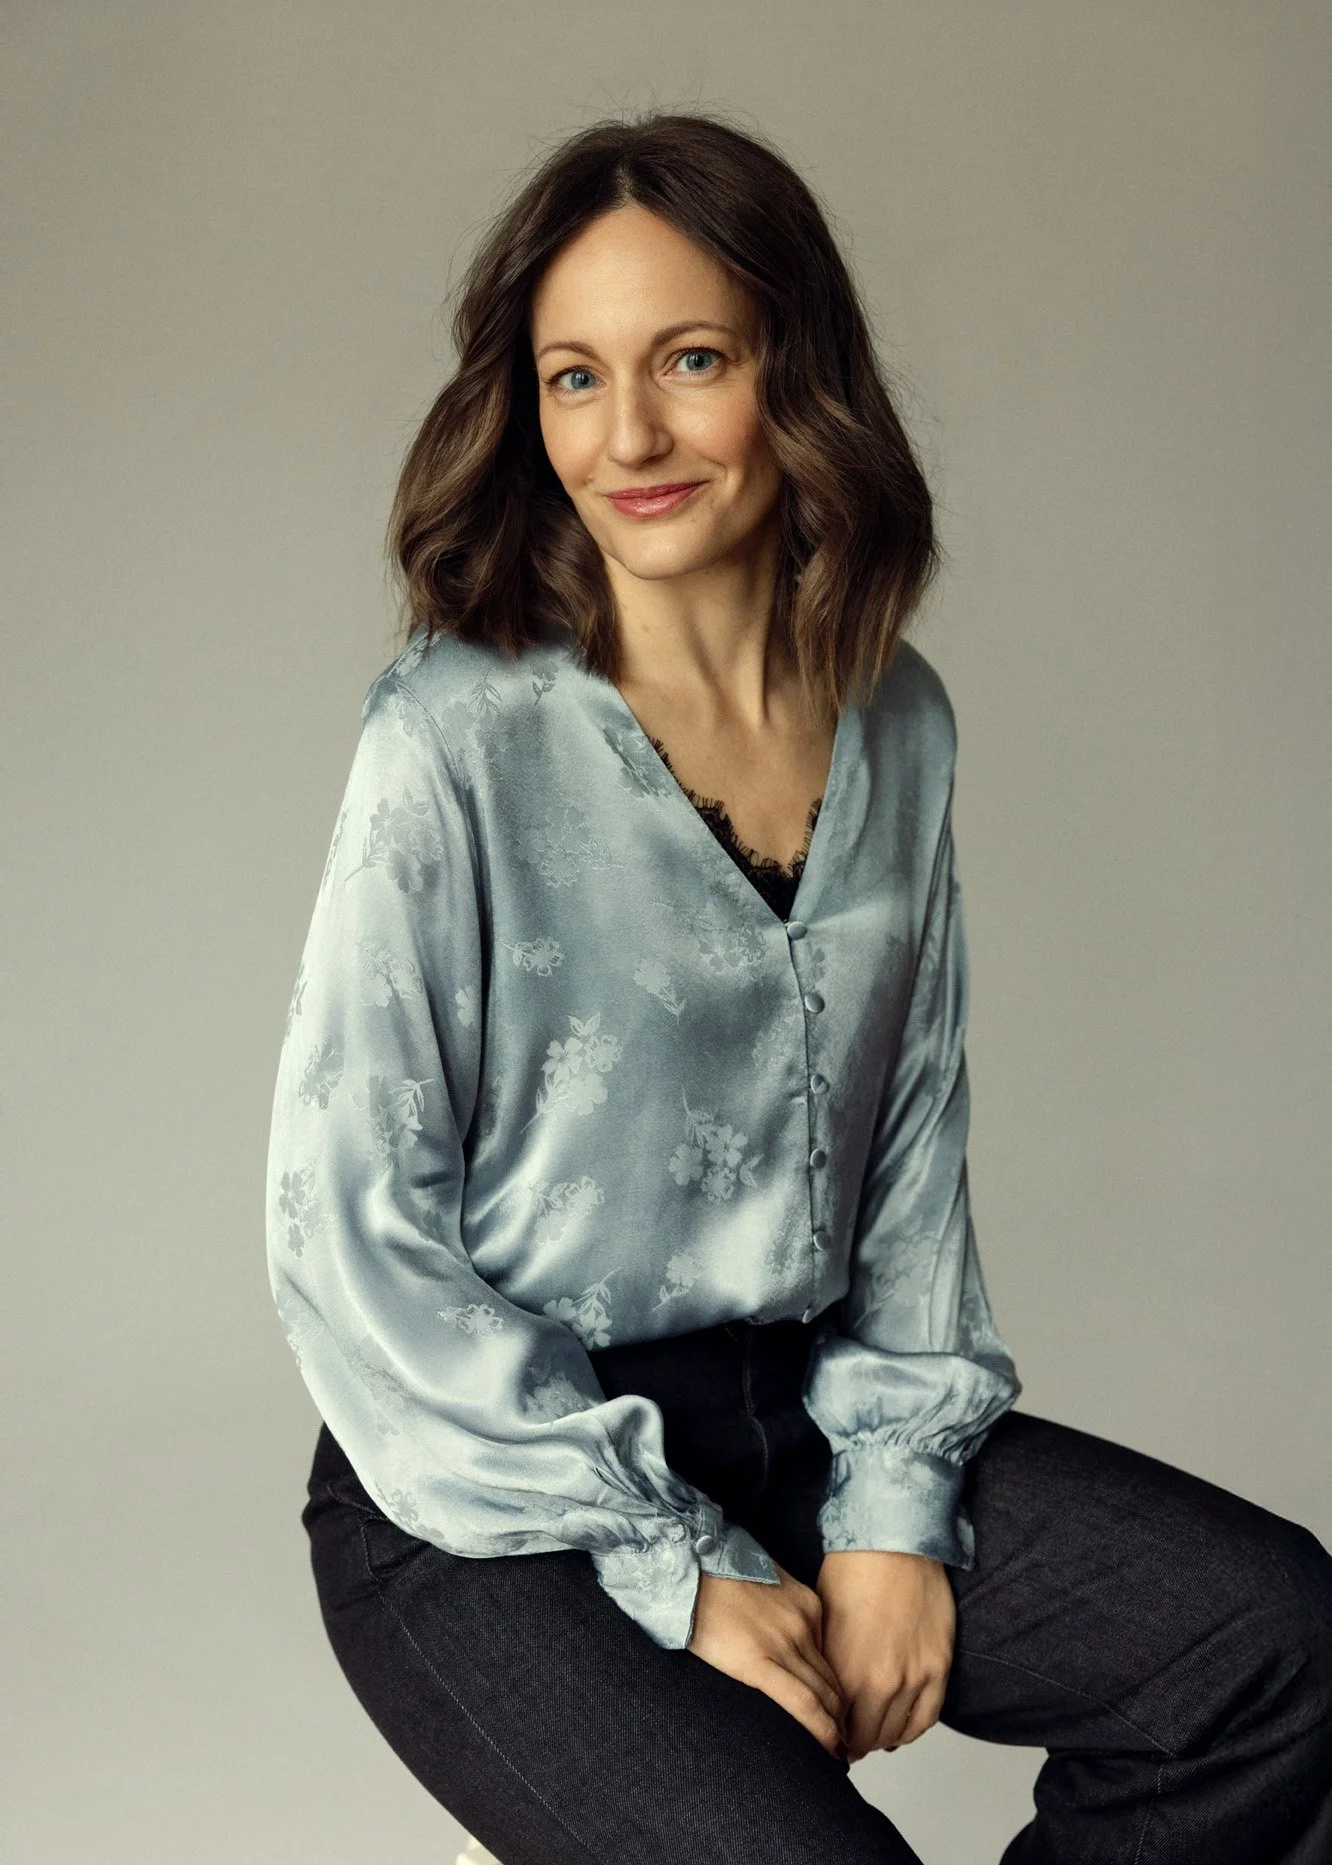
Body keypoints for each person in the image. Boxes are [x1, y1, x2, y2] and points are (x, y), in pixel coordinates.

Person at [266, 110, 1332, 1864]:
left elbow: (912, 1151)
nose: (630, 437)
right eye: (572, 378)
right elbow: (346, 1229)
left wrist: (899, 1508)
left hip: (796, 1412)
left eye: (691, 361)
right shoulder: (452, 737)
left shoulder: (897, 718)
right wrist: (673, 1570)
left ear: (795, 374)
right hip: (486, 1483)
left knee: (1265, 1646)